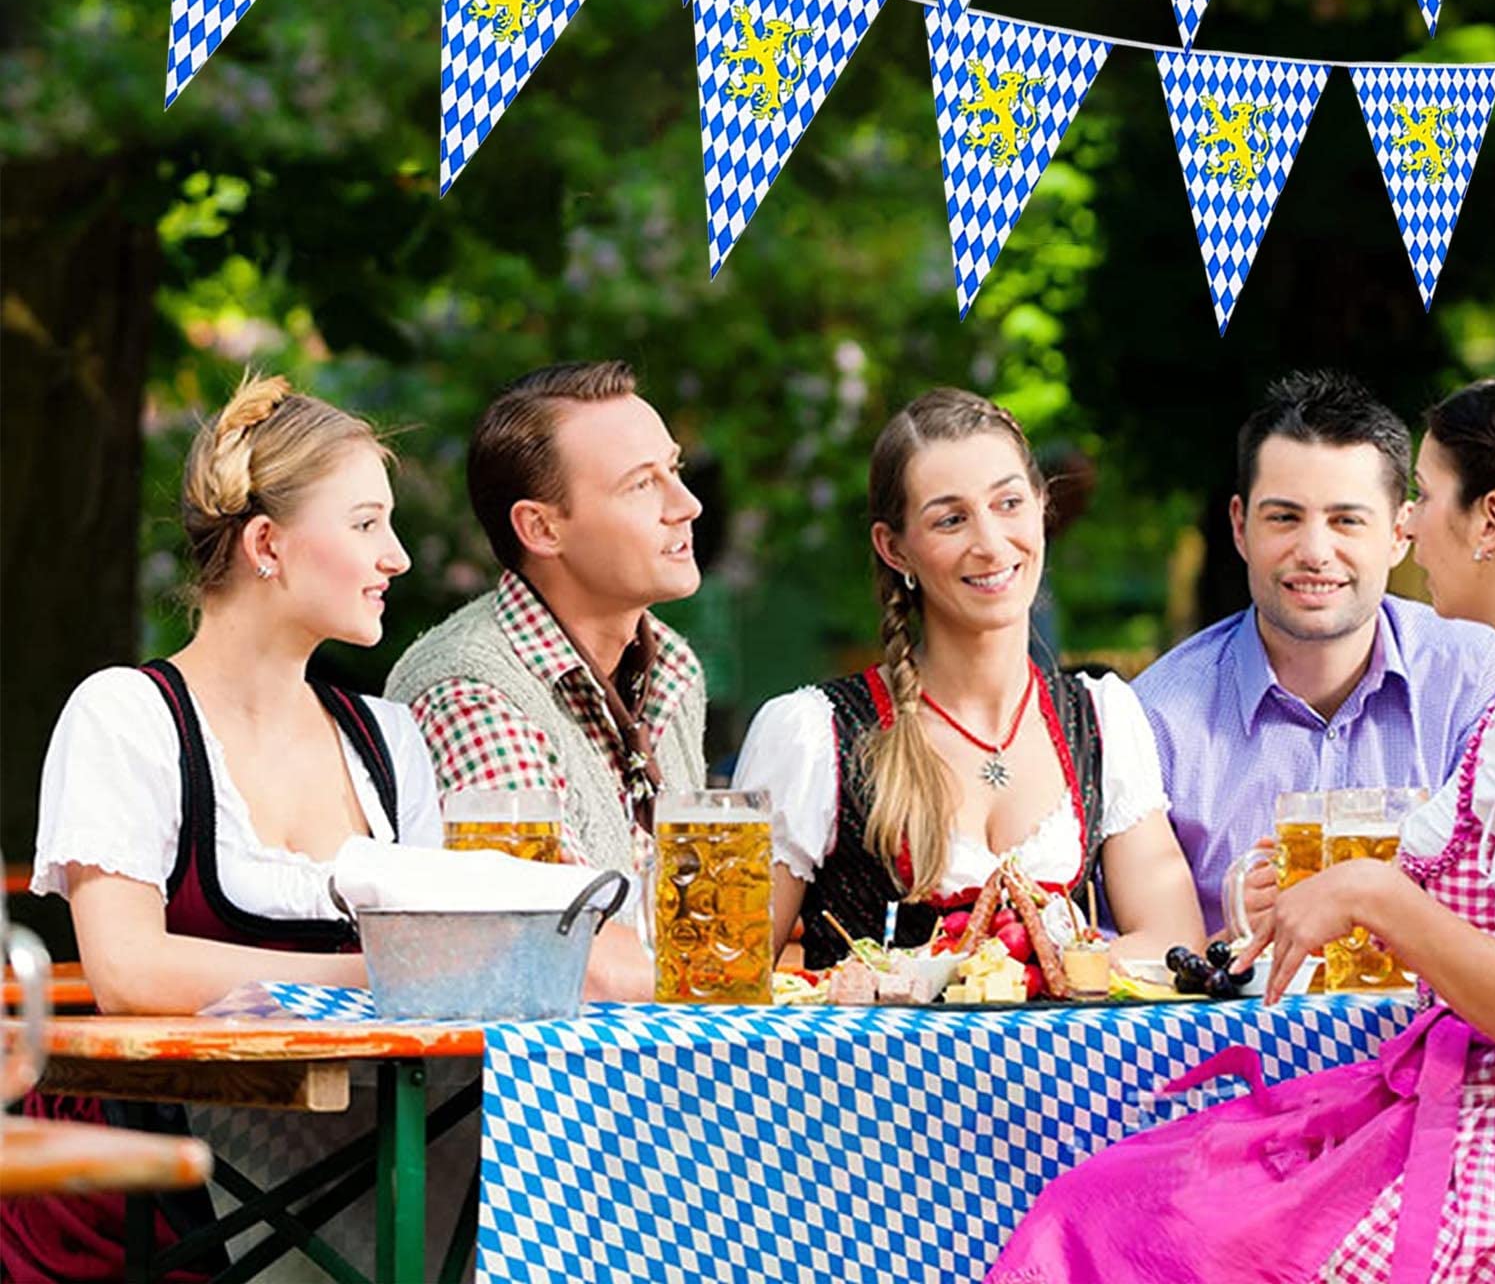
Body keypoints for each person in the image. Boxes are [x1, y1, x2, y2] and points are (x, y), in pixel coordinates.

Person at [987, 376, 1495, 1284]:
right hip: (1460, 1109)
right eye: (1285, 517)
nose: (1412, 529)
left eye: (1420, 500)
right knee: (1124, 1194)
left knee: (1126, 1217)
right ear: (1240, 525)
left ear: (1492, 521)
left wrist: (1374, 893)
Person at [4, 373, 441, 1280]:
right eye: (366, 524)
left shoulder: (390, 739)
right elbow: (130, 970)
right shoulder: (128, 714)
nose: (396, 556)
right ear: (268, 545)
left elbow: (444, 964)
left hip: (372, 1155)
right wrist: (365, 978)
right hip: (152, 1192)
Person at [733, 388, 1204, 968]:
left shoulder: (1101, 718)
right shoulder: (815, 735)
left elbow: (1172, 941)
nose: (989, 543)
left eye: (1008, 504)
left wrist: (1025, 980)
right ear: (894, 549)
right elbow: (733, 969)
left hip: (1068, 1062)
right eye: (951, 519)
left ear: (1040, 507)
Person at [1133, 370, 1495, 931]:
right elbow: (1113, 948)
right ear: (1240, 527)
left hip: (1437, 1013)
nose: (1314, 551)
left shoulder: (1474, 675)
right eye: (1284, 518)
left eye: (1346, 521)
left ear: (1400, 533)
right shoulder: (1155, 718)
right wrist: (1223, 934)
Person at [388, 361, 707, 886]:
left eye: (674, 470)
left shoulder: (673, 667)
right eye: (641, 485)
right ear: (540, 528)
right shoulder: (472, 693)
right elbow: (556, 939)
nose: (687, 505)